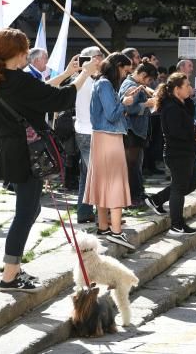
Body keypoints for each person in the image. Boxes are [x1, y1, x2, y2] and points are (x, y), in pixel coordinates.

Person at [0, 28, 98, 292]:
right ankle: (10, 277)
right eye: (25, 50)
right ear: (16, 54)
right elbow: (58, 100)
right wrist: (84, 74)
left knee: (30, 210)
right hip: (29, 154)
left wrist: (69, 74)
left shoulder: (1, 78)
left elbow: (40, 92)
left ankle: (14, 269)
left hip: (14, 151)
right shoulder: (18, 81)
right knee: (25, 213)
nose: (28, 53)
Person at [86, 53, 141, 250]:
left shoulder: (101, 84)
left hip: (102, 137)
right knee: (115, 184)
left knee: (102, 184)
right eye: (125, 71)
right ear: (118, 66)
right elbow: (111, 114)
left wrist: (124, 100)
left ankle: (103, 227)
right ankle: (116, 231)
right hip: (109, 137)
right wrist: (125, 103)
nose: (126, 76)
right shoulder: (105, 84)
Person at [147, 73, 196, 235]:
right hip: (177, 153)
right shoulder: (171, 107)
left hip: (188, 151)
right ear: (176, 89)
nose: (190, 88)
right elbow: (175, 131)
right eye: (186, 85)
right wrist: (194, 136)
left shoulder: (183, 103)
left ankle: (157, 199)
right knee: (180, 188)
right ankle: (177, 224)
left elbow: (188, 122)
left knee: (191, 184)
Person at [73, 47, 104, 224]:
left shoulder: (84, 79)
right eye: (100, 57)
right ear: (93, 59)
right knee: (97, 175)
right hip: (89, 132)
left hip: (85, 130)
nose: (102, 60)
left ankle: (85, 212)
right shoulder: (88, 81)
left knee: (87, 174)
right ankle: (103, 216)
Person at [121, 62, 157, 209]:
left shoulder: (136, 83)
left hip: (137, 131)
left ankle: (138, 193)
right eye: (149, 80)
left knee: (136, 164)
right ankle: (133, 197)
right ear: (143, 75)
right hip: (132, 131)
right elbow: (127, 108)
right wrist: (146, 105)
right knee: (132, 165)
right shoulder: (130, 85)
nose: (149, 83)